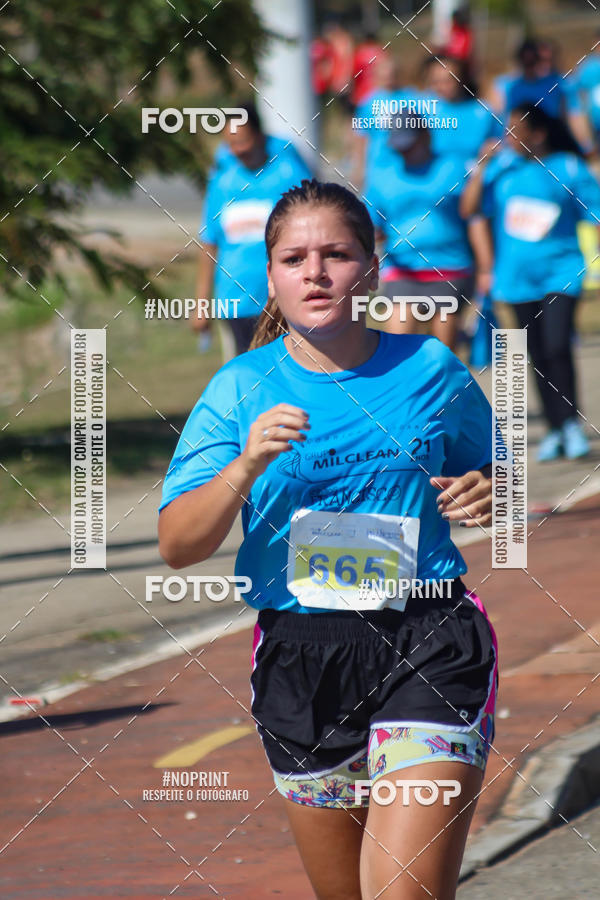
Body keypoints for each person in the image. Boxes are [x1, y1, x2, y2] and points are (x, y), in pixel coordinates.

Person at [159, 178, 499, 900]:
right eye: (293, 258)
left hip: (428, 637)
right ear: (271, 274)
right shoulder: (239, 388)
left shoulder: (429, 368)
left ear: (370, 270)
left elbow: (496, 472)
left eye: (337, 254)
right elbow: (179, 547)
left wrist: (495, 490)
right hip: (300, 659)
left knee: (402, 889)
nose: (315, 273)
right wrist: (246, 465)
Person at [461, 104, 600, 461]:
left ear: (536, 134)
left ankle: (570, 422)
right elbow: (470, 209)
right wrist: (482, 167)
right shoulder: (502, 170)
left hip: (561, 273)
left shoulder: (567, 167)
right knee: (536, 354)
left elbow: (594, 211)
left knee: (556, 345)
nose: (507, 137)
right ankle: (555, 430)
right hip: (516, 280)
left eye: (514, 130)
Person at [191, 102, 311, 359]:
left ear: (259, 136)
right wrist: (202, 303)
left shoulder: (288, 171)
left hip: (282, 299)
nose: (238, 150)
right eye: (231, 143)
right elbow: (209, 243)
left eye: (243, 141)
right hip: (235, 302)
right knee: (245, 379)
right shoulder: (222, 182)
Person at [365, 116, 493, 350]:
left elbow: (475, 217)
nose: (404, 152)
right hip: (402, 269)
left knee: (443, 354)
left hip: (450, 267)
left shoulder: (454, 167)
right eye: (399, 146)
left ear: (426, 137)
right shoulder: (382, 175)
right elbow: (371, 223)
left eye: (410, 145)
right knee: (397, 351)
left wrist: (485, 267)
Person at [422, 54, 503, 167]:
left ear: (461, 79)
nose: (442, 87)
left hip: (474, 175)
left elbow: (499, 142)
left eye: (448, 81)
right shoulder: (423, 109)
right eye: (436, 82)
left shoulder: (483, 111)